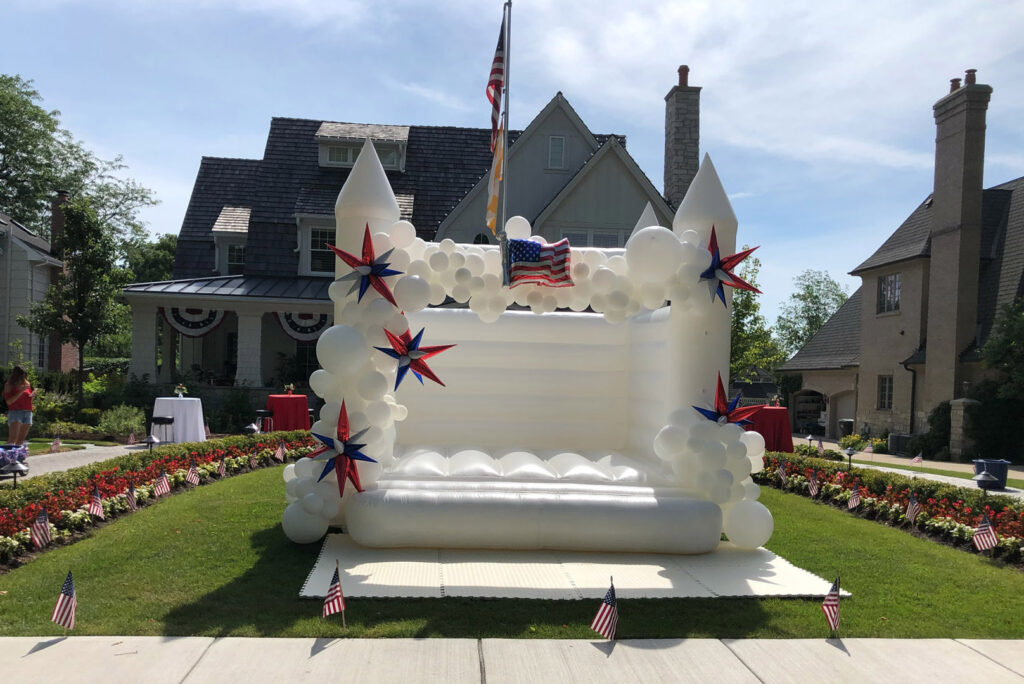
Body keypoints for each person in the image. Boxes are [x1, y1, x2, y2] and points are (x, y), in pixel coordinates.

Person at [3, 366, 35, 447]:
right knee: (12, 439)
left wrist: (33, 396)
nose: (24, 378)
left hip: (28, 412)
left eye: (25, 375)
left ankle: (16, 454)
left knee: (21, 440)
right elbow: (9, 402)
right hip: (16, 412)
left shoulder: (27, 383)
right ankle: (4, 454)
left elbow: (28, 400)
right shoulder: (9, 385)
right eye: (22, 376)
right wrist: (21, 391)